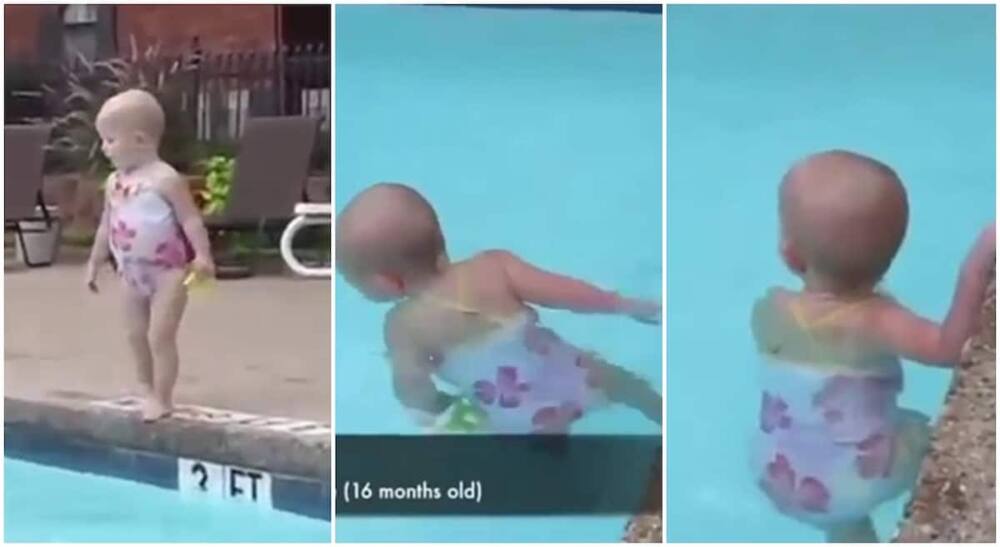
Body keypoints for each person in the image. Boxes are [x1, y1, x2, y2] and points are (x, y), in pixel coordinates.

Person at [751, 150, 994, 542]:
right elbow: (951, 349)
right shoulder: (877, 321)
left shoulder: (768, 311)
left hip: (779, 471)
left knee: (842, 515)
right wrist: (976, 266)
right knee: (934, 439)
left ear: (790, 255)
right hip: (855, 479)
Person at [336, 182, 662, 434]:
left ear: (385, 284)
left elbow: (412, 387)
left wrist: (436, 410)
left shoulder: (402, 326)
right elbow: (568, 294)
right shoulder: (494, 266)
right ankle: (662, 415)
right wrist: (620, 304)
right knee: (626, 386)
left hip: (519, 415)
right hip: (576, 375)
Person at [85, 89, 215, 421]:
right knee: (134, 333)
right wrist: (95, 260)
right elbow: (107, 222)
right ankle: (145, 387)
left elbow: (189, 218)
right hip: (129, 271)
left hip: (168, 271)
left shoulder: (166, 179)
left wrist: (202, 255)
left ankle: (163, 396)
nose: (104, 148)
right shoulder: (114, 182)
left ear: (140, 139)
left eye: (110, 140)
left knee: (160, 334)